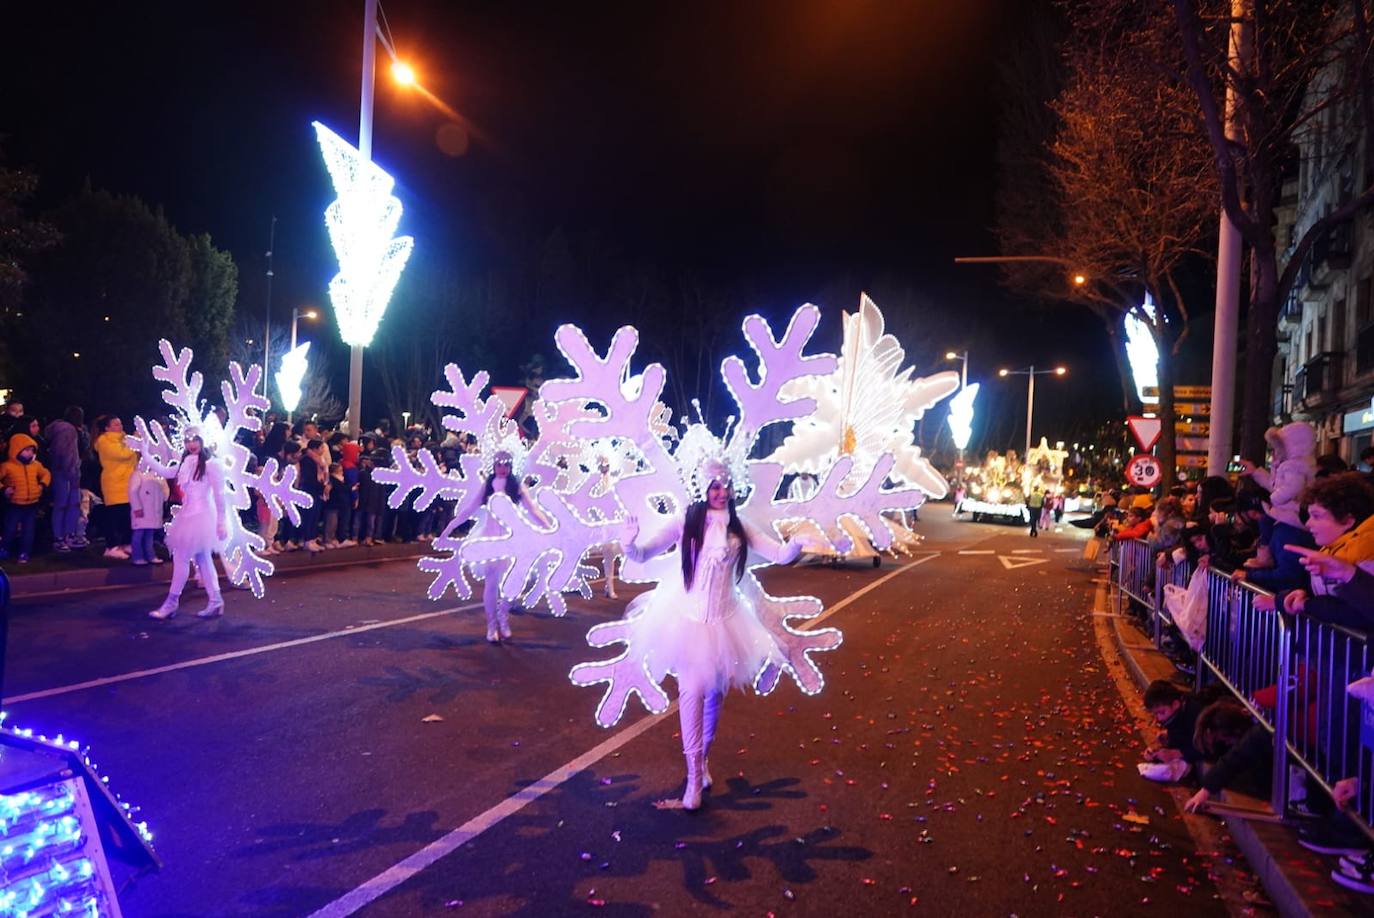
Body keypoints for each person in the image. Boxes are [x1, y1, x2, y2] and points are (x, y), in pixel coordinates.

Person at [619, 459, 801, 810]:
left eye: (726, 486)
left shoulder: (739, 525)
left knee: (715, 694)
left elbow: (777, 553)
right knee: (691, 692)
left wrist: (795, 546)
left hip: (726, 622)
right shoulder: (686, 522)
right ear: (702, 489)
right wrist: (629, 545)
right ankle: (692, 780)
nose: (722, 493)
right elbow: (643, 554)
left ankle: (703, 764)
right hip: (686, 622)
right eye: (715, 486)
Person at [149, 433, 228, 620]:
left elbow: (219, 494)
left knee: (182, 557)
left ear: (203, 441)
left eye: (195, 440)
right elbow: (166, 471)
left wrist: (221, 521)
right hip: (187, 515)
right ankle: (215, 600)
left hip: (201, 516)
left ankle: (171, 602)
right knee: (203, 559)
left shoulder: (211, 465)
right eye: (187, 441)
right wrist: (146, 454)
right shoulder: (186, 462)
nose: (191, 444)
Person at [470, 450, 545, 643]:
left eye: (506, 465)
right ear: (493, 466)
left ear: (511, 467)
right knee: (491, 583)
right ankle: (491, 625)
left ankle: (503, 614)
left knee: (516, 580)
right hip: (491, 538)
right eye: (498, 465)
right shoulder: (488, 485)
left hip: (514, 539)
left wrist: (550, 526)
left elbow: (533, 509)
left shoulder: (516, 486)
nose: (502, 469)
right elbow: (471, 506)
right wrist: (450, 526)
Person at [0, 432, 51, 562]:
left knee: (28, 531)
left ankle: (24, 553)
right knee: (9, 529)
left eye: (32, 450)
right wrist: (4, 489)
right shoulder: (7, 466)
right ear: (17, 450)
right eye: (27, 450)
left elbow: (46, 473)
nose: (30, 453)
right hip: (15, 503)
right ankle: (4, 549)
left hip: (32, 503)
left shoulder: (35, 466)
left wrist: (42, 485)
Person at [93, 415, 138, 559]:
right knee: (113, 516)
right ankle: (111, 546)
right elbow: (122, 454)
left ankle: (126, 544)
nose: (120, 426)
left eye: (120, 423)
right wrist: (135, 442)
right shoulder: (104, 441)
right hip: (114, 483)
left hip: (129, 482)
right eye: (116, 424)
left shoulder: (125, 439)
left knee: (128, 516)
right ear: (107, 428)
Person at [44, 407, 87, 551]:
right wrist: (70, 471)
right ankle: (61, 537)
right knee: (63, 505)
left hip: (67, 472)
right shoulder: (67, 430)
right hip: (66, 472)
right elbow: (65, 453)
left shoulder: (72, 430)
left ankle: (67, 535)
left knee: (71, 505)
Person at [128, 464, 168, 566]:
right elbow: (133, 491)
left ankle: (150, 555)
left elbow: (165, 489)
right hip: (142, 511)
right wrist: (137, 507)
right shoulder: (138, 474)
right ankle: (137, 556)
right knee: (139, 534)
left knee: (149, 535)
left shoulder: (158, 475)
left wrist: (162, 499)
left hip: (153, 511)